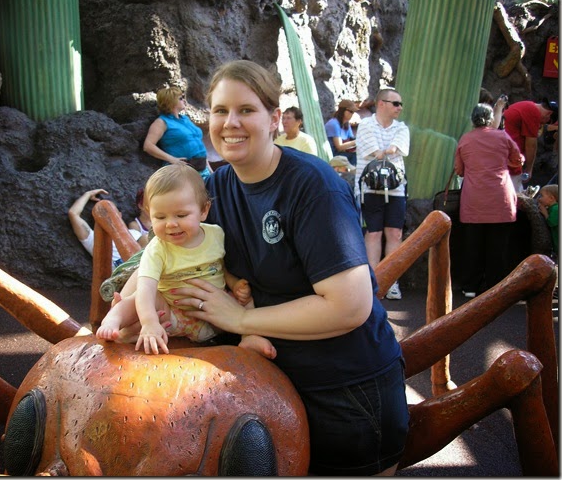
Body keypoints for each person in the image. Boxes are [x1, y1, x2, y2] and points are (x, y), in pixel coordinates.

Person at [119, 60, 409, 475]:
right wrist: (125, 304)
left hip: (344, 393)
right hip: (264, 387)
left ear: (274, 118)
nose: (230, 122)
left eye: (246, 110)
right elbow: (159, 253)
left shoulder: (312, 186)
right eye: (220, 111)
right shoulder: (215, 189)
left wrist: (240, 316)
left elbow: (350, 306)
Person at [96, 164, 276, 358]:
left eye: (181, 215)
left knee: (246, 299)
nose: (171, 223)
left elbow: (220, 268)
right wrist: (150, 322)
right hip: (173, 314)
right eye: (160, 217)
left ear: (204, 210)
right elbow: (146, 287)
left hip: (217, 316)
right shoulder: (158, 249)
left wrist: (234, 284)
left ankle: (249, 336)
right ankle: (113, 320)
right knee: (141, 298)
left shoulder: (216, 235)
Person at [454, 103, 522, 299]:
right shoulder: (502, 137)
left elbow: (459, 170)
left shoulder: (465, 140)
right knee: (498, 247)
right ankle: (495, 288)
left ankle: (470, 287)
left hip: (473, 199)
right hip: (500, 198)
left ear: (473, 119)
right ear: (491, 118)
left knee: (472, 246)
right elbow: (518, 160)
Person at [355, 88, 409, 300]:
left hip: (396, 188)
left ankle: (392, 280)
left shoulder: (402, 128)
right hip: (369, 188)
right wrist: (387, 151)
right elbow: (377, 152)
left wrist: (386, 151)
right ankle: (374, 281)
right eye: (395, 103)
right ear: (381, 104)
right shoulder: (365, 125)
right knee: (374, 233)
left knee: (395, 233)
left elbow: (396, 149)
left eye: (400, 104)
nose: (399, 108)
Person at [69, 188, 151, 269]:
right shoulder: (93, 240)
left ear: (119, 215)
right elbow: (73, 213)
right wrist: (87, 194)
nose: (108, 218)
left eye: (111, 213)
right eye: (103, 214)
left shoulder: (135, 233)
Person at [143, 86, 213, 179]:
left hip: (203, 168)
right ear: (171, 102)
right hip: (182, 171)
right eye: (180, 98)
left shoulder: (185, 119)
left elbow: (198, 145)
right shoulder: (161, 122)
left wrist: (210, 170)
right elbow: (148, 146)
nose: (184, 100)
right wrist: (172, 159)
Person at [502, 99, 554, 192]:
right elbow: (531, 145)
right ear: (549, 114)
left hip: (506, 152)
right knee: (515, 190)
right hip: (509, 156)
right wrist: (529, 169)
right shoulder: (532, 112)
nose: (541, 124)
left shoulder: (527, 106)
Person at [324, 99, 358, 165]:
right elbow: (339, 147)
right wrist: (356, 142)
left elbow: (351, 138)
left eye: (353, 112)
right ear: (343, 111)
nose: (352, 114)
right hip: (333, 155)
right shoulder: (334, 124)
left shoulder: (346, 124)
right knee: (355, 157)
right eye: (350, 111)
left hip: (342, 153)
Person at [537, 184, 559, 258]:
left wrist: (545, 212)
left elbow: (551, 223)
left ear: (551, 198)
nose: (539, 199)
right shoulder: (552, 208)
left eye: (542, 196)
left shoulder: (556, 208)